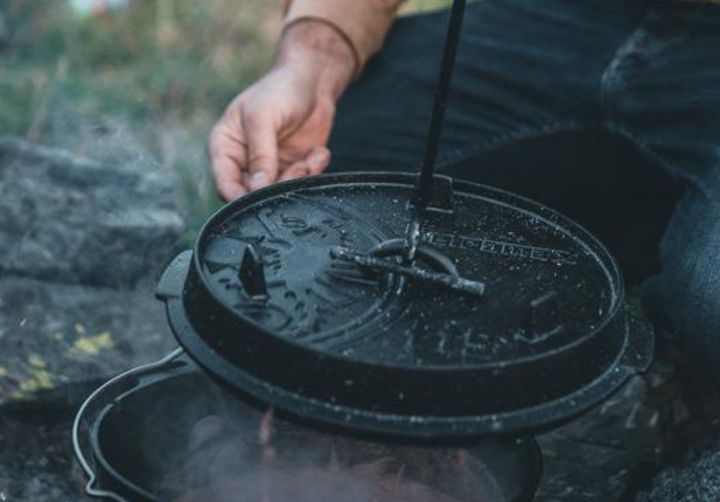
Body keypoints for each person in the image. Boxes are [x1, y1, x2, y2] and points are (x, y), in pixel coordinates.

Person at [209, 0, 720, 373]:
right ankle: (643, 214)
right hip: (562, 20)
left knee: (710, 298)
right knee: (314, 167)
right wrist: (313, 62)